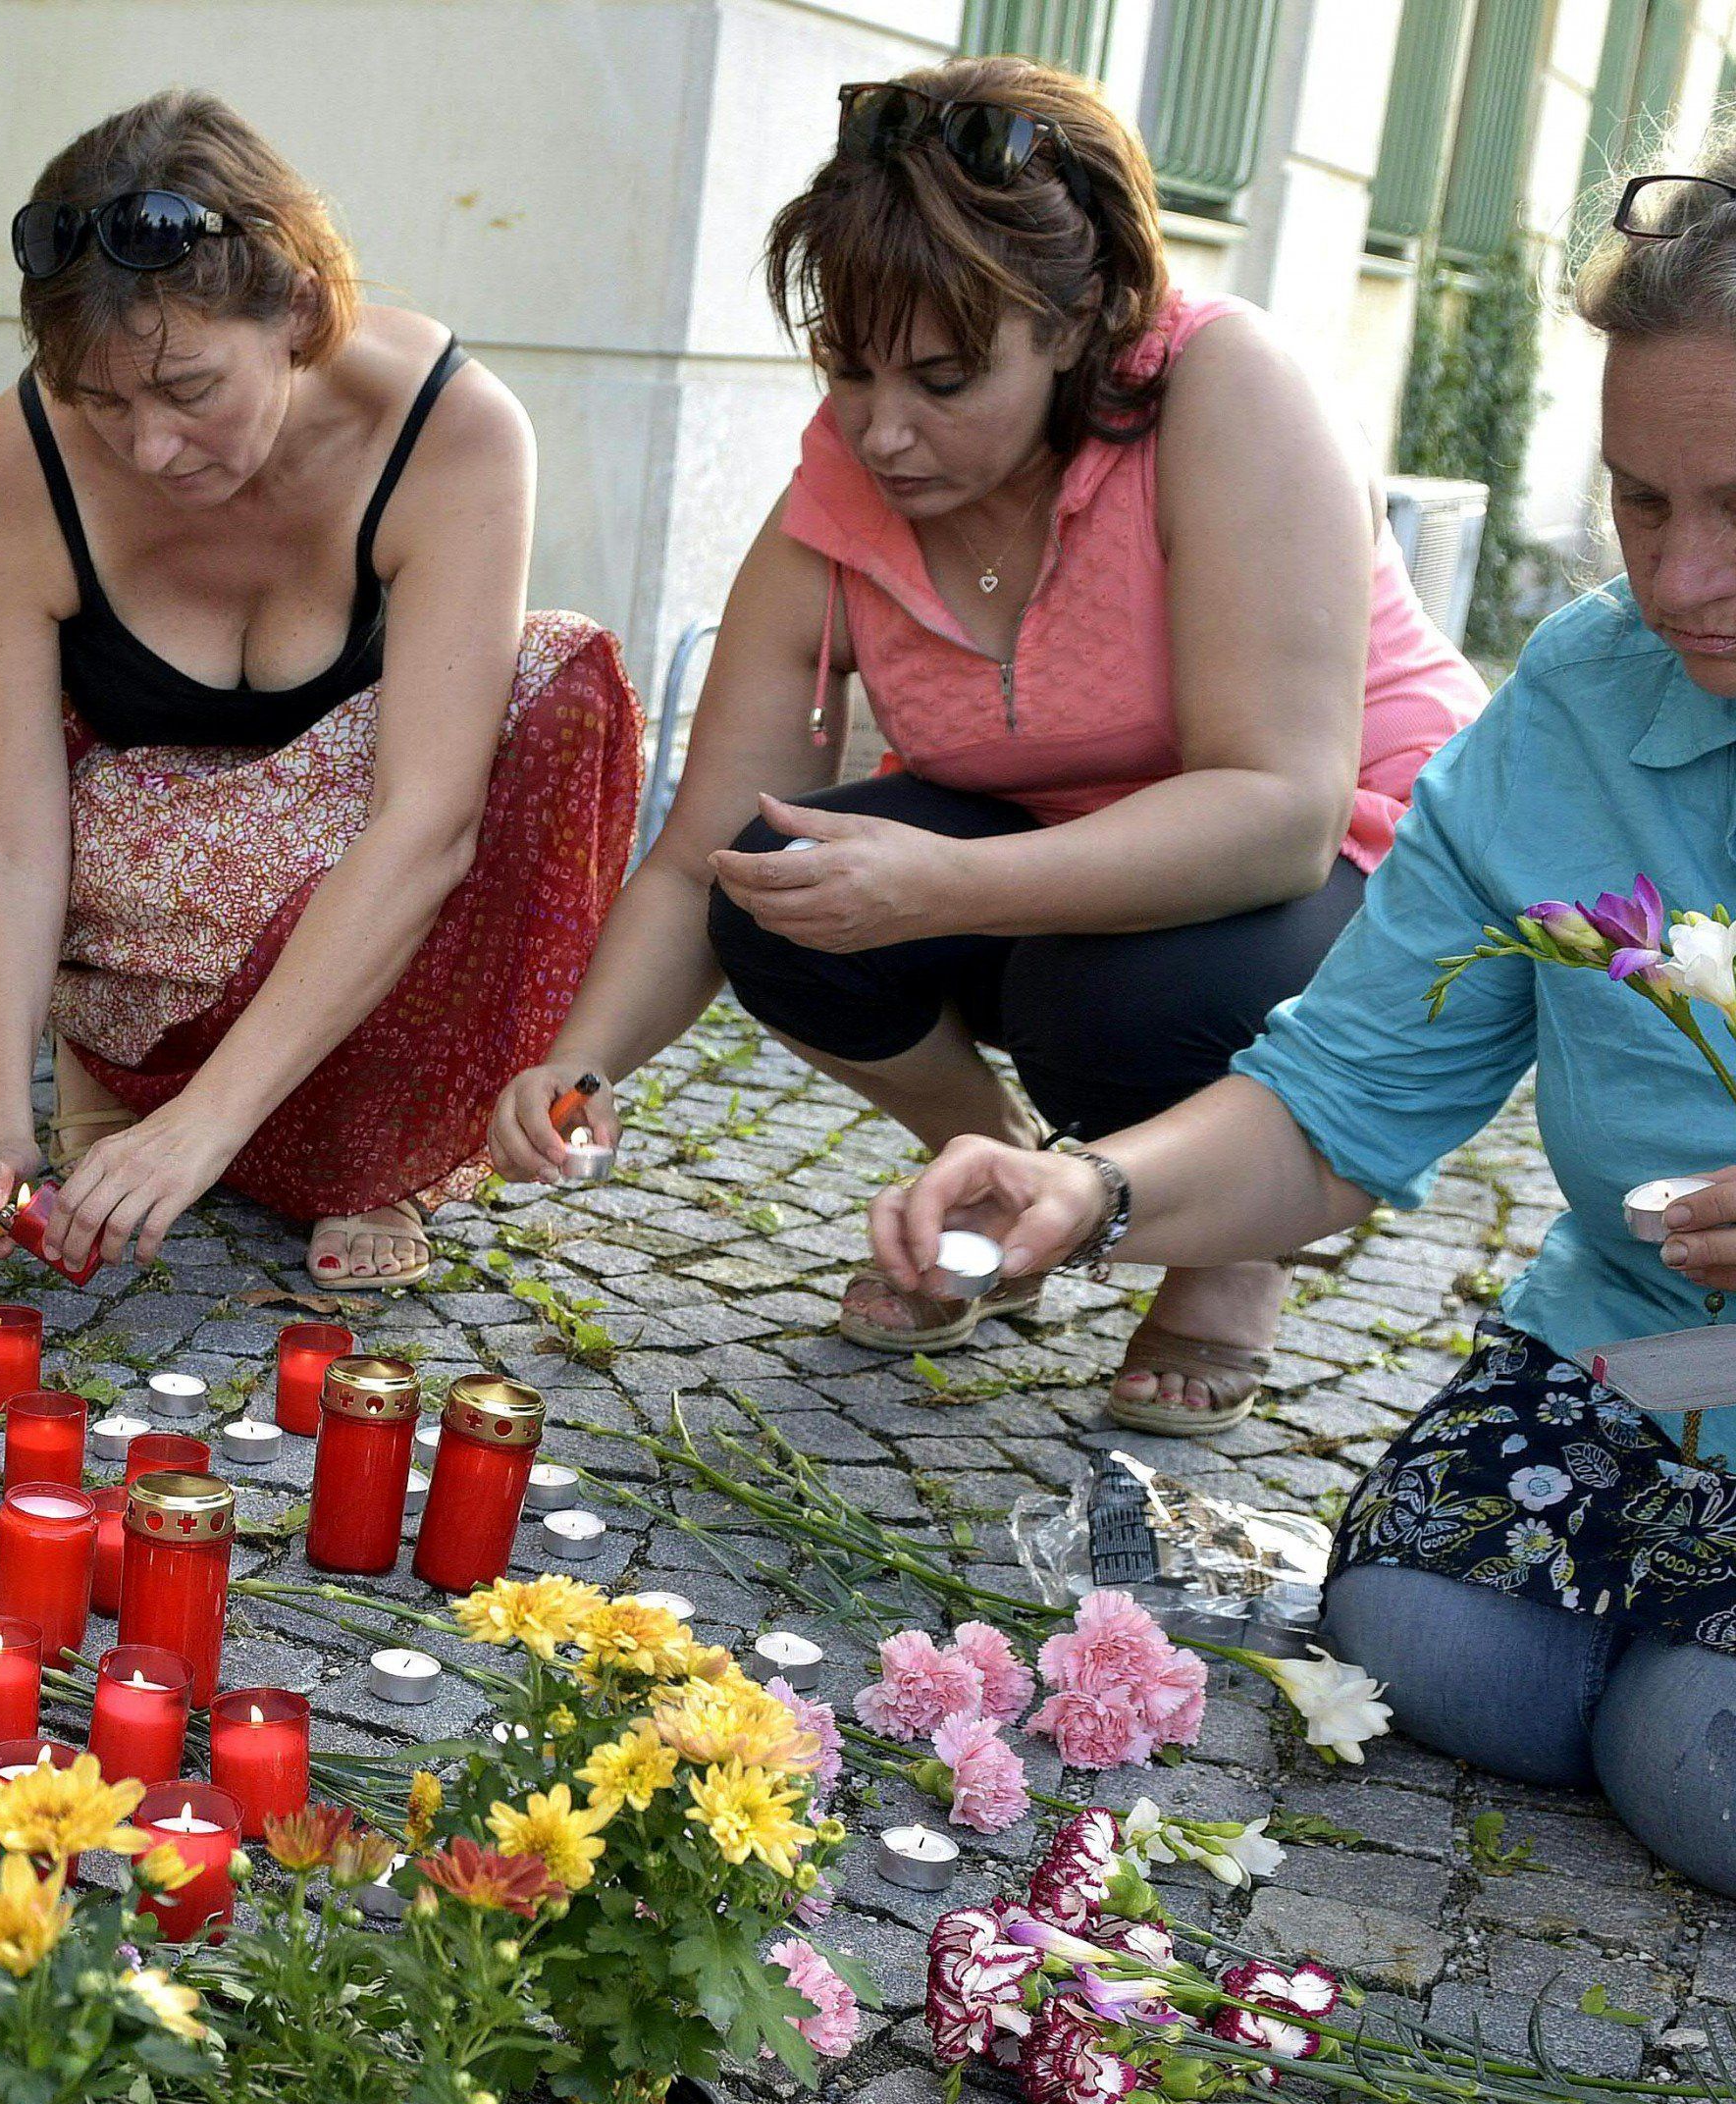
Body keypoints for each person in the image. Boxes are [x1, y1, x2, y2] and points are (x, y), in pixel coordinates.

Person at [867, 157, 1736, 1891]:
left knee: (1692, 1764)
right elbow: (1340, 1096)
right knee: (1424, 1639)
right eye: (1643, 503)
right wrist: (1091, 1195)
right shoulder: (1584, 697)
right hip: (1659, 1362)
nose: (1684, 576)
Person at [490, 57, 1482, 1433]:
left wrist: (942, 886)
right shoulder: (839, 496)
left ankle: (1226, 1250)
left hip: (1348, 870)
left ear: (1080, 323)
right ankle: (998, 1169)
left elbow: (1280, 810)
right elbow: (697, 859)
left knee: (1110, 1006)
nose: (885, 432)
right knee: (776, 886)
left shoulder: (1224, 389)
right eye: (850, 368)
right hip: (1071, 853)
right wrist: (578, 1064)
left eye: (947, 380)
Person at [0, 92, 637, 1293]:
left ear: (299, 309)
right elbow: (3, 833)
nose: (148, 446)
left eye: (188, 389)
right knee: (114, 790)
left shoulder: (451, 430)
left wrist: (202, 1130)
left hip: (357, 869)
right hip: (139, 891)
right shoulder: (14, 464)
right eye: (103, 403)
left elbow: (428, 821)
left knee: (555, 678)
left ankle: (361, 1147)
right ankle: (104, 1070)